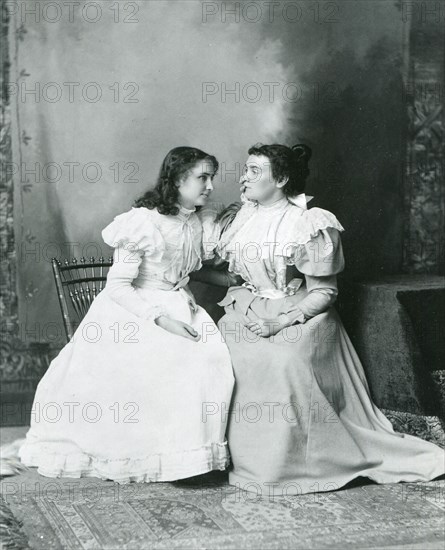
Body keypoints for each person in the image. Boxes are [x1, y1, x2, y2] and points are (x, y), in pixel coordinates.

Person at [199, 143, 445, 496]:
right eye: (246, 169)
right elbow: (234, 278)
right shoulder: (243, 219)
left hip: (303, 315)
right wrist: (179, 274)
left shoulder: (310, 223)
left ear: (281, 178)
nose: (243, 177)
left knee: (281, 361)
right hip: (248, 308)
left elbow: (324, 293)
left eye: (255, 170)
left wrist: (281, 323)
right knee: (217, 351)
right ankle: (218, 457)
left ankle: (289, 463)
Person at [14, 146, 235, 483]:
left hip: (179, 303)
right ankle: (163, 459)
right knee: (178, 364)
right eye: (202, 178)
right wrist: (162, 320)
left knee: (210, 361)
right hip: (133, 313)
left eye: (211, 178)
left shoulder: (195, 221)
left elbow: (187, 268)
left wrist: (231, 280)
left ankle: (188, 458)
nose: (210, 186)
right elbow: (118, 287)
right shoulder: (143, 222)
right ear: (177, 179)